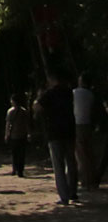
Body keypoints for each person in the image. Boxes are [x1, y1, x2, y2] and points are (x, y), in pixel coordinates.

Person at [38, 72, 80, 205]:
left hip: (55, 132)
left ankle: (64, 196)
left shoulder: (49, 94)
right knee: (71, 162)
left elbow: (37, 107)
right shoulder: (68, 92)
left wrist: (39, 95)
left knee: (58, 165)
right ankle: (73, 191)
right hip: (69, 130)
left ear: (51, 79)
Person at [77, 74, 98, 191]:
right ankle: (92, 178)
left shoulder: (75, 93)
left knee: (81, 154)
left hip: (78, 124)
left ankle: (85, 180)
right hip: (88, 124)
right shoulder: (91, 94)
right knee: (89, 153)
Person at [5, 92, 33, 177]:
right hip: (22, 134)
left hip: (14, 135)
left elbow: (8, 124)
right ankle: (20, 170)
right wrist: (29, 133)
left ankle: (15, 169)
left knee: (15, 153)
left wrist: (7, 134)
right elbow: (27, 124)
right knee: (21, 153)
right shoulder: (24, 111)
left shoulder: (10, 111)